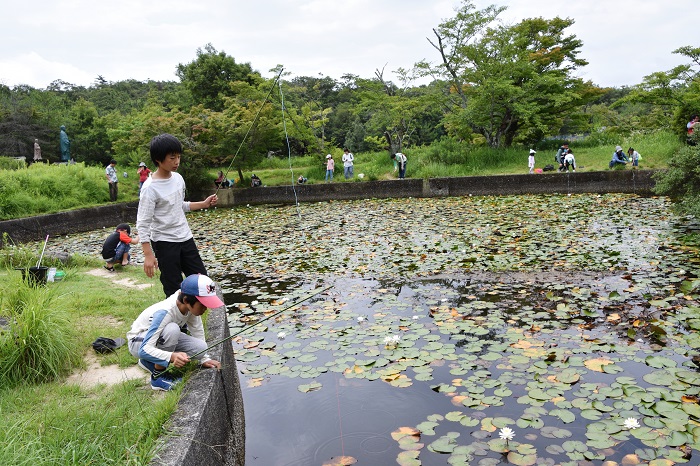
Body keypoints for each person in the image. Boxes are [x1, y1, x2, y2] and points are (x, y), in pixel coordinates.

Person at [137, 133, 218, 298]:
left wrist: (203, 204)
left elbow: (179, 206)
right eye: (172, 158)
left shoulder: (178, 179)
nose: (177, 162)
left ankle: (195, 318)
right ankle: (178, 324)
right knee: (173, 288)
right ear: (158, 159)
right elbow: (143, 223)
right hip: (164, 242)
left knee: (202, 282)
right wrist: (148, 255)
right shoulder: (149, 188)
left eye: (179, 157)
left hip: (185, 237)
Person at [127, 273, 224, 391]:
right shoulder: (165, 312)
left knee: (200, 348)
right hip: (137, 342)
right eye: (203, 304)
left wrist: (205, 359)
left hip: (158, 338)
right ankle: (158, 377)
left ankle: (148, 362)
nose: (205, 308)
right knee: (172, 329)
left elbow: (197, 332)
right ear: (186, 300)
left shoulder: (188, 306)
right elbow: (144, 349)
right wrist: (172, 356)